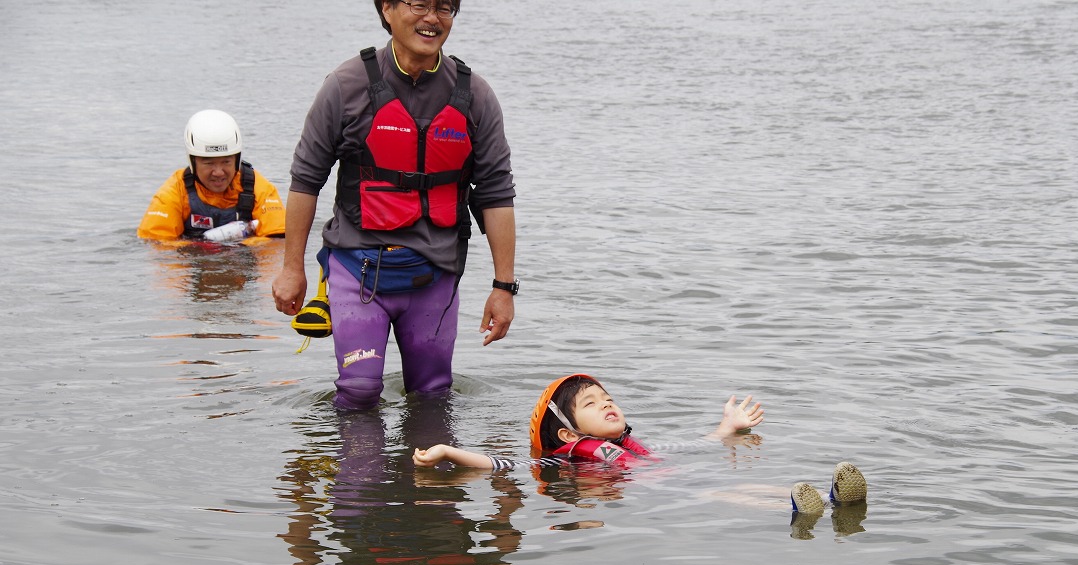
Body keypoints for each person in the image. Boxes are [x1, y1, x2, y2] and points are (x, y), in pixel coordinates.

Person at [271, 0, 518, 410]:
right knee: (360, 391)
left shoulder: (475, 96)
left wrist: (503, 286)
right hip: (358, 270)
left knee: (432, 395)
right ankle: (355, 474)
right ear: (386, 8)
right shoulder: (345, 85)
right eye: (419, 4)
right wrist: (292, 267)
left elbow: (496, 193)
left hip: (434, 276)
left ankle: (428, 474)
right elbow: (306, 180)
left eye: (444, 8)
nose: (432, 18)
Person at [413, 373, 765, 471]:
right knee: (723, 494)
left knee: (725, 492)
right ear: (568, 433)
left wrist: (727, 428)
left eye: (609, 399)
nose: (607, 404)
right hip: (663, 496)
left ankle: (813, 502)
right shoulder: (566, 460)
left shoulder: (634, 447)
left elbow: (693, 444)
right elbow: (501, 464)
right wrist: (448, 451)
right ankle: (803, 505)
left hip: (675, 486)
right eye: (592, 404)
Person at [138, 109, 286, 243]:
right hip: (196, 266)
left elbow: (277, 242)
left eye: (226, 161)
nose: (218, 172)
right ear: (193, 161)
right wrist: (197, 249)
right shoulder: (174, 191)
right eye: (209, 163)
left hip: (244, 266)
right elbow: (155, 244)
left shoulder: (258, 188)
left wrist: (240, 247)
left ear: (237, 160)